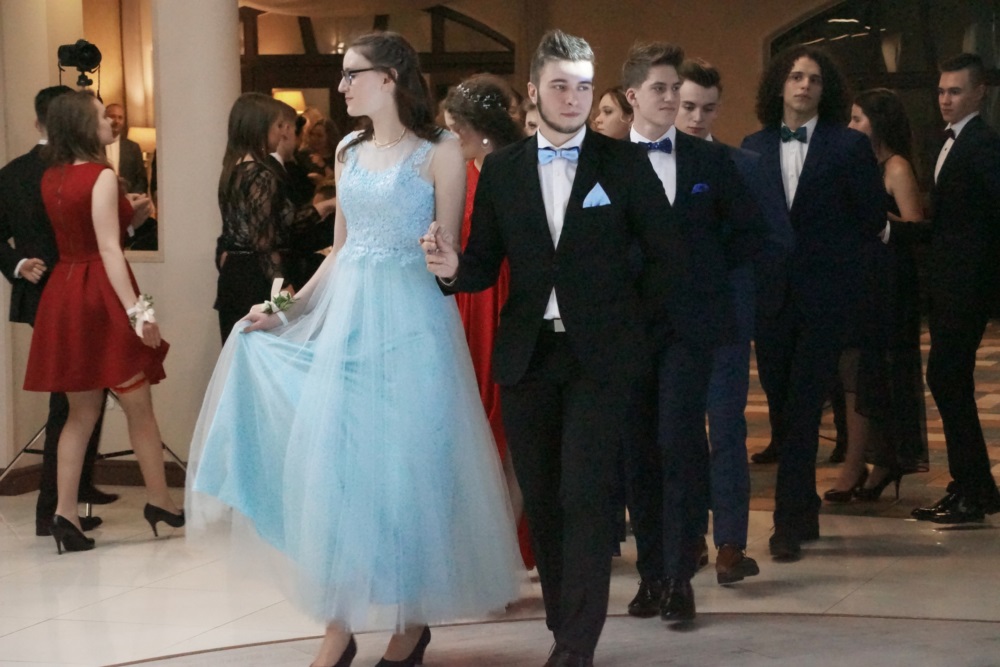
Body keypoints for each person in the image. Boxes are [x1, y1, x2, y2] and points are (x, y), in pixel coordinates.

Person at [187, 32, 521, 667]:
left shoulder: (441, 151)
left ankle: (410, 623)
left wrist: (440, 256)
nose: (340, 86)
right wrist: (283, 309)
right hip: (350, 319)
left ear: (389, 77)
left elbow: (449, 252)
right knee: (339, 472)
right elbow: (340, 251)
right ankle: (337, 628)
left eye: (351, 74)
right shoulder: (347, 149)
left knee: (408, 471)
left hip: (415, 324)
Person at [422, 29, 672, 667]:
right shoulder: (504, 170)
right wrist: (450, 267)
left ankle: (576, 643)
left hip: (601, 360)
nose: (573, 98)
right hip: (528, 356)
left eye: (583, 87)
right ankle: (566, 624)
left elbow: (664, 257)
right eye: (559, 86)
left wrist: (632, 331)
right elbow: (483, 264)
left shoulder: (623, 164)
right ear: (534, 92)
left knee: (585, 495)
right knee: (545, 498)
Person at [620, 42, 764, 623]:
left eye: (674, 88)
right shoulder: (603, 162)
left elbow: (749, 232)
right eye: (659, 88)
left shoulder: (709, 161)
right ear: (632, 96)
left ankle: (680, 577)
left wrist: (700, 270)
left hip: (690, 326)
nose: (671, 98)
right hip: (627, 329)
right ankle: (651, 574)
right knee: (638, 452)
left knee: (678, 443)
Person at [22, 91, 183, 553]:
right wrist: (139, 313)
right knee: (139, 407)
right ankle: (160, 501)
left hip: (64, 291)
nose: (110, 122)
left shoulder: (52, 176)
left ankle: (65, 514)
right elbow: (109, 249)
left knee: (80, 414)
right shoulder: (101, 175)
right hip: (99, 295)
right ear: (82, 125)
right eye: (100, 116)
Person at [741, 46, 884, 561]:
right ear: (779, 85)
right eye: (796, 76)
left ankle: (786, 523)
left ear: (827, 90)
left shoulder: (848, 145)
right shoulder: (753, 147)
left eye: (815, 79)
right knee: (783, 411)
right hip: (772, 300)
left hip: (824, 300)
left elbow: (871, 219)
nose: (804, 86)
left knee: (803, 407)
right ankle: (802, 507)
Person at [673, 57, 782, 585]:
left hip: (727, 314)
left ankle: (731, 543)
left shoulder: (744, 165)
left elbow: (772, 239)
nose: (697, 118)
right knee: (679, 431)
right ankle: (690, 536)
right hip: (671, 318)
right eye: (688, 106)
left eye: (708, 108)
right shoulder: (646, 164)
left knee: (727, 426)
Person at [0, 85, 120, 537]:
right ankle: (54, 508)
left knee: (83, 396)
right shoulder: (28, 172)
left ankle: (74, 492)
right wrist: (17, 263)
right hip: (60, 291)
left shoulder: (65, 168)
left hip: (66, 291)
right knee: (70, 403)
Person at [441, 74, 535, 570]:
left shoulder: (517, 168)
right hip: (467, 307)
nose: (450, 137)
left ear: (479, 128)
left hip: (507, 301)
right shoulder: (457, 173)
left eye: (456, 127)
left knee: (510, 429)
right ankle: (475, 549)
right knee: (470, 427)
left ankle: (502, 553)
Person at [823, 88, 929, 502]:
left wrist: (877, 218)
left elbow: (915, 228)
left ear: (878, 123)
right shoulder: (859, 164)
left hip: (887, 286)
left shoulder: (896, 167)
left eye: (857, 119)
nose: (850, 127)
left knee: (867, 375)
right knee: (857, 376)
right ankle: (877, 460)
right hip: (857, 282)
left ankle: (861, 465)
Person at [911, 53, 1000, 524]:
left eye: (955, 91)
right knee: (949, 380)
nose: (945, 99)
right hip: (951, 282)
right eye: (942, 91)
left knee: (946, 378)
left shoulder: (983, 144)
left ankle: (973, 489)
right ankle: (974, 486)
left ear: (979, 92)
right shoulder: (950, 140)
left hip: (968, 285)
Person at [214, 93, 337, 343]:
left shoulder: (234, 169)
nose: (283, 133)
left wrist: (323, 207)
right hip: (256, 278)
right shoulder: (261, 174)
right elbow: (265, 244)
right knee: (267, 356)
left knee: (239, 354)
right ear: (259, 127)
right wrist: (284, 289)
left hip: (234, 275)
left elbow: (276, 223)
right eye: (278, 125)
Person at [104, 103, 147, 195]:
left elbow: (141, 180)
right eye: (112, 117)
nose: (116, 121)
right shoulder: (95, 146)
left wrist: (132, 198)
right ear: (104, 119)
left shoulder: (133, 148)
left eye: (120, 118)